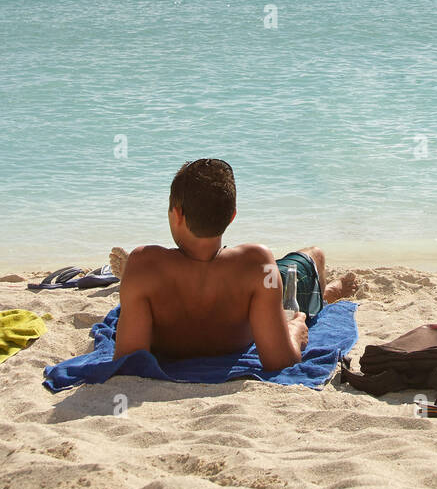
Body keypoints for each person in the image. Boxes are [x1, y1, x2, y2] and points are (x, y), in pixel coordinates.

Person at [111, 157, 358, 369]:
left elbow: (130, 360)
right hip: (255, 280)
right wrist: (296, 331)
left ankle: (325, 294)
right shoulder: (258, 260)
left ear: (176, 214)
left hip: (167, 282)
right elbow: (279, 360)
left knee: (279, 281)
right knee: (313, 256)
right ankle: (327, 294)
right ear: (232, 216)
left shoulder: (144, 263)